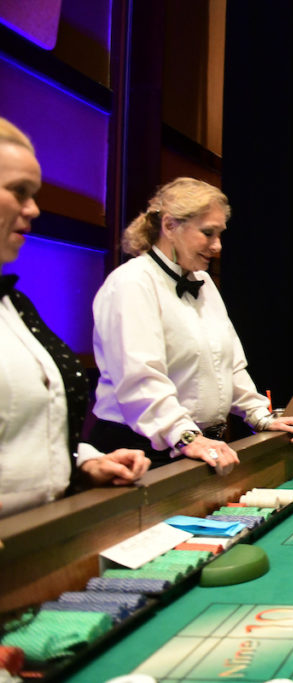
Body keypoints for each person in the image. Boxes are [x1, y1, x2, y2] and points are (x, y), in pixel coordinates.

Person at [90, 178, 293, 473]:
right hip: (138, 451)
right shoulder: (130, 284)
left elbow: (229, 364)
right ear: (169, 225)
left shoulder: (202, 282)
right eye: (207, 233)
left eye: (220, 234)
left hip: (197, 444)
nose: (217, 246)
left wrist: (260, 415)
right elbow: (141, 380)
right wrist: (185, 436)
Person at [0, 117, 149, 517]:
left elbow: (28, 430)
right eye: (18, 192)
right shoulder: (130, 283)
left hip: (41, 540)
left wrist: (83, 461)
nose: (33, 209)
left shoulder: (15, 305)